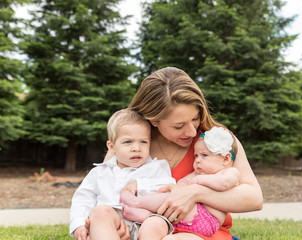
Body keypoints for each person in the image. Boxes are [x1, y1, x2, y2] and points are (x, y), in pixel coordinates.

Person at [99, 66, 263, 239]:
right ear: (154, 120)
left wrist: (196, 193)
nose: (192, 132)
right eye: (179, 126)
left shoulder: (216, 141)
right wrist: (117, 227)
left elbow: (254, 199)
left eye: (195, 118)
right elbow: (104, 191)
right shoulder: (130, 145)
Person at [69, 109, 176, 240]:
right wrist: (78, 225)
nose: (136, 148)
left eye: (143, 142)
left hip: (145, 220)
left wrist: (140, 185)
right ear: (112, 147)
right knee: (100, 211)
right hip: (112, 222)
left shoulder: (156, 167)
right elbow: (82, 199)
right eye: (128, 142)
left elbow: (169, 188)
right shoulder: (99, 172)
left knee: (157, 223)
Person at [120, 126, 241, 237]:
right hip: (184, 218)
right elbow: (182, 183)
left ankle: (137, 202)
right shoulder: (197, 173)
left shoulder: (229, 172)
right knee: (170, 198)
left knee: (168, 198)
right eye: (196, 156)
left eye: (204, 155)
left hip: (207, 219)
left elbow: (223, 183)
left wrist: (197, 181)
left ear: (225, 159)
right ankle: (146, 215)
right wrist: (177, 188)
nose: (198, 160)